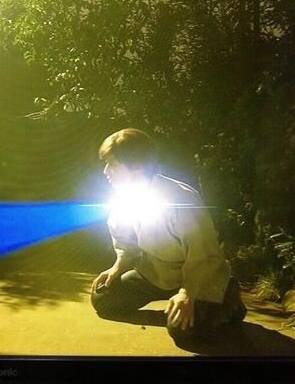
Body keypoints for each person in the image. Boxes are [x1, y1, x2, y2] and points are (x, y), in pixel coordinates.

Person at [90, 128, 246, 343]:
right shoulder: (123, 196)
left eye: (113, 165)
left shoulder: (179, 198)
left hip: (197, 275)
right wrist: (118, 267)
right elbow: (126, 243)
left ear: (137, 166)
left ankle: (227, 300)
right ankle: (183, 301)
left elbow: (203, 254)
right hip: (158, 274)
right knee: (103, 298)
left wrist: (188, 293)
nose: (106, 171)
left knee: (183, 331)